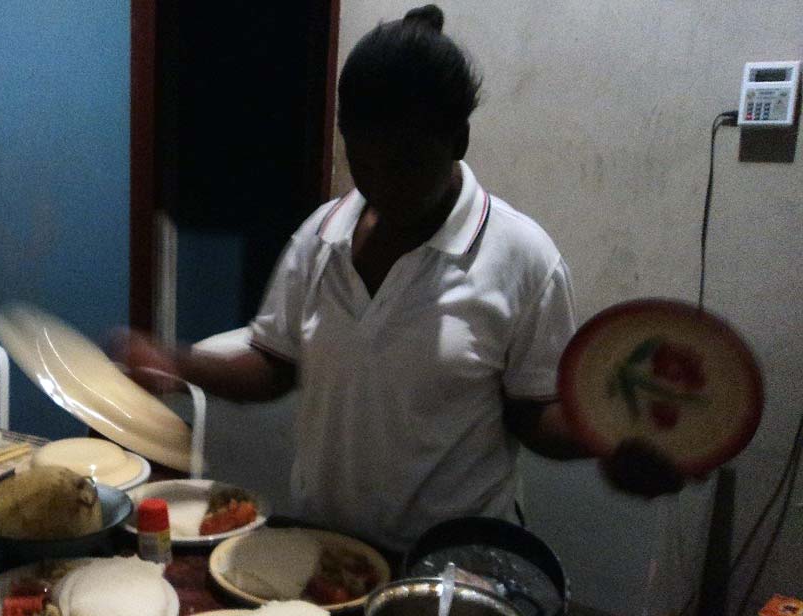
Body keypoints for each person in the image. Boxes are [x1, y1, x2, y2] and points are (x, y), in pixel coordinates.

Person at [116, 4, 681, 552]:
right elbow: (275, 366)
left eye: (407, 164)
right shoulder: (322, 235)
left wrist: (607, 439)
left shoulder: (522, 258)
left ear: (458, 140)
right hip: (324, 549)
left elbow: (534, 415)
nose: (381, 187)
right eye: (363, 163)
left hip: (452, 562)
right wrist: (177, 361)